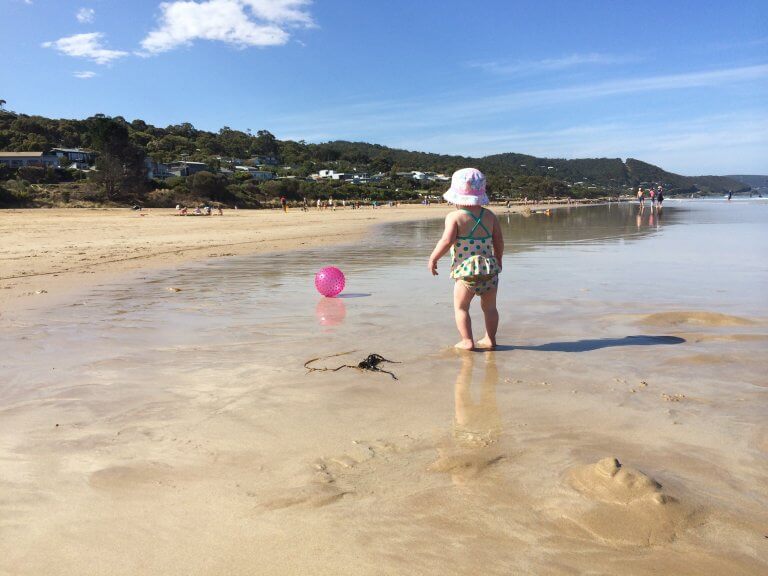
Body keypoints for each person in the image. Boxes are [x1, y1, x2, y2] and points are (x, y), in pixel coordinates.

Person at [428, 168, 503, 350]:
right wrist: (499, 260)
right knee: (490, 309)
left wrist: (433, 258)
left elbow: (446, 241)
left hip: (466, 274)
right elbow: (498, 241)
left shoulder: (455, 217)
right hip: (489, 272)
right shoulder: (490, 216)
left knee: (461, 308)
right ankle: (490, 339)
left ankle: (467, 341)